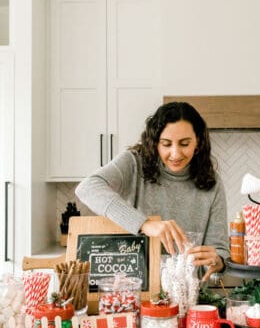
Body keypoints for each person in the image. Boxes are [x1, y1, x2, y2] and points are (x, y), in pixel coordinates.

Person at [75, 101, 229, 281]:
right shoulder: (134, 163)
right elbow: (88, 187)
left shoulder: (213, 183)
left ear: (199, 142)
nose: (175, 153)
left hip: (189, 295)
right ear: (155, 142)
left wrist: (218, 262)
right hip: (135, 290)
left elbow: (220, 253)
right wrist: (145, 224)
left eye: (184, 143)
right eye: (166, 144)